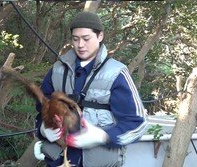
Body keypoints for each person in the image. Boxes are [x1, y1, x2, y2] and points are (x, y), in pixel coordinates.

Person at [35, 11, 147, 167]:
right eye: (75, 39)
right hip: (58, 161)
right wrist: (42, 129)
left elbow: (138, 123)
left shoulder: (116, 73)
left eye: (86, 39)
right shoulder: (57, 70)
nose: (80, 45)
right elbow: (41, 109)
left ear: (100, 36)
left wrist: (103, 136)